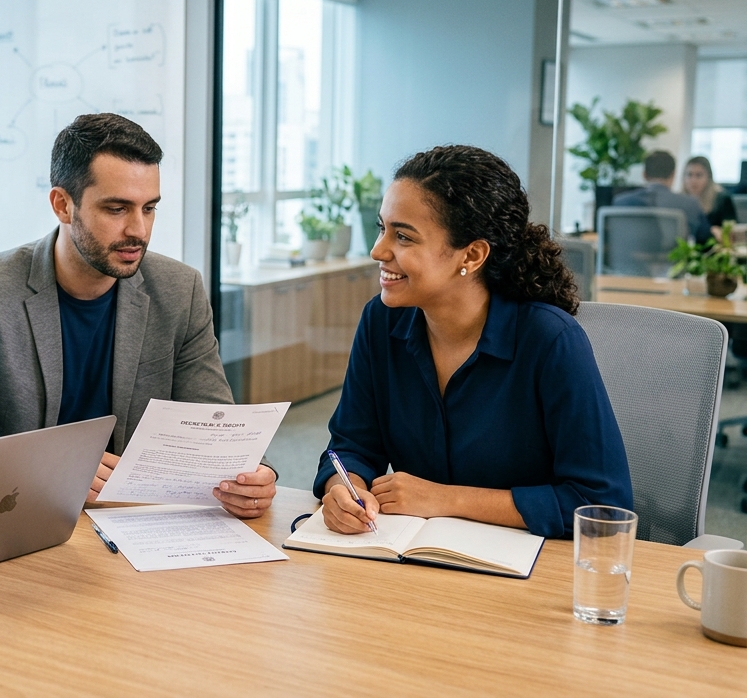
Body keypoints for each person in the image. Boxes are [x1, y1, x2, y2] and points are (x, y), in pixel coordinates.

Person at [0, 113, 277, 518]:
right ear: (63, 205)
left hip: (134, 515)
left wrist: (249, 476)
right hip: (23, 509)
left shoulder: (179, 290)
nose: (139, 230)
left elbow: (212, 422)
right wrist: (56, 465)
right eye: (117, 209)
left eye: (149, 208)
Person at [315, 145, 633, 539]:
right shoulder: (381, 322)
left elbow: (603, 504)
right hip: (413, 563)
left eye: (403, 237)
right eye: (383, 228)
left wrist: (446, 499)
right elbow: (350, 446)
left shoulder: (551, 341)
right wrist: (344, 491)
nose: (378, 250)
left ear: (472, 254)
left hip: (531, 572)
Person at [614, 149, 710, 243]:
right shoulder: (691, 204)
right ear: (673, 174)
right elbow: (706, 242)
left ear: (644, 175)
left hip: (629, 259)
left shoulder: (620, 203)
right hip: (674, 259)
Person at [684, 155, 736, 230]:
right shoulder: (680, 200)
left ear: (708, 177)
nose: (693, 180)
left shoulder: (722, 200)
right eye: (689, 175)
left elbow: (731, 231)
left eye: (698, 175)